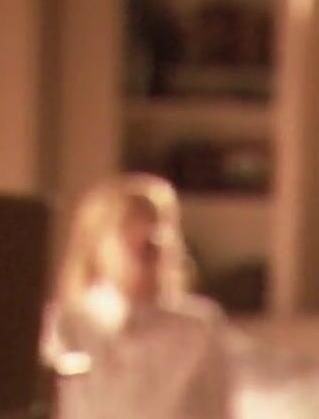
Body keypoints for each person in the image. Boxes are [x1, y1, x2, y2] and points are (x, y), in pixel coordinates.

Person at [41, 173, 233, 419]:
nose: (146, 237)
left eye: (155, 225)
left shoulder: (199, 328)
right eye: (128, 226)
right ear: (96, 244)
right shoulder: (63, 327)